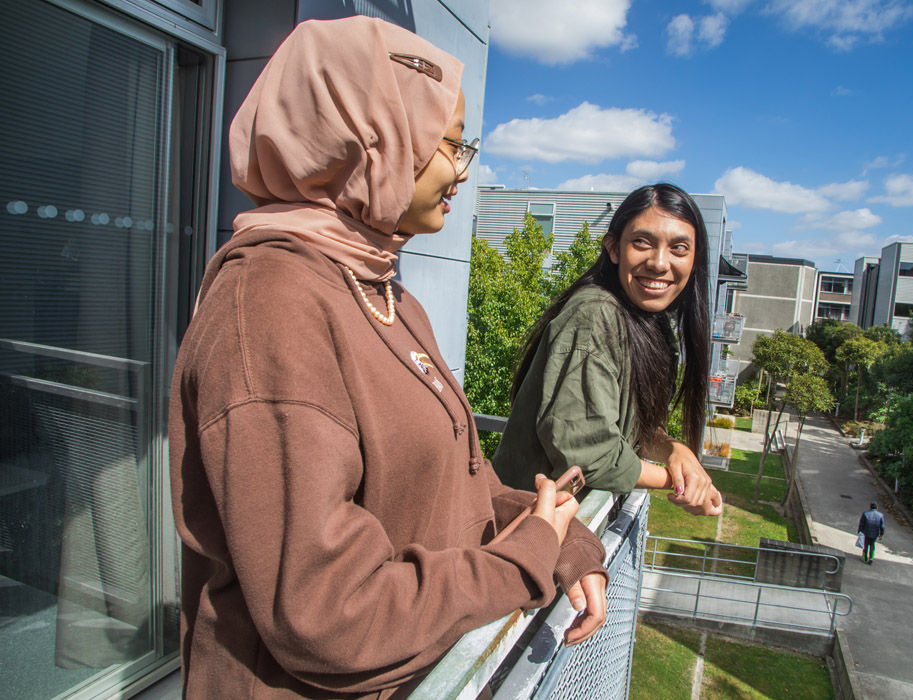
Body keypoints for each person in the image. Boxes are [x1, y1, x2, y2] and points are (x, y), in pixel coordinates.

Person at [169, 17, 607, 698]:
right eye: (448, 142)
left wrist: (564, 542)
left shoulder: (385, 293)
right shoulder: (271, 305)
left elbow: (452, 486)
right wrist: (527, 559)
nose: (463, 168)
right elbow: (328, 614)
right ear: (368, 136)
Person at [492, 184, 723, 516]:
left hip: (557, 531)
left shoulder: (646, 322)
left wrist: (675, 450)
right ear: (614, 249)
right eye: (642, 242)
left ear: (694, 260)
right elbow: (588, 454)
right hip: (524, 530)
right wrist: (679, 481)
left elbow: (627, 427)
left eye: (679, 248)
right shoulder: (595, 314)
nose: (659, 263)